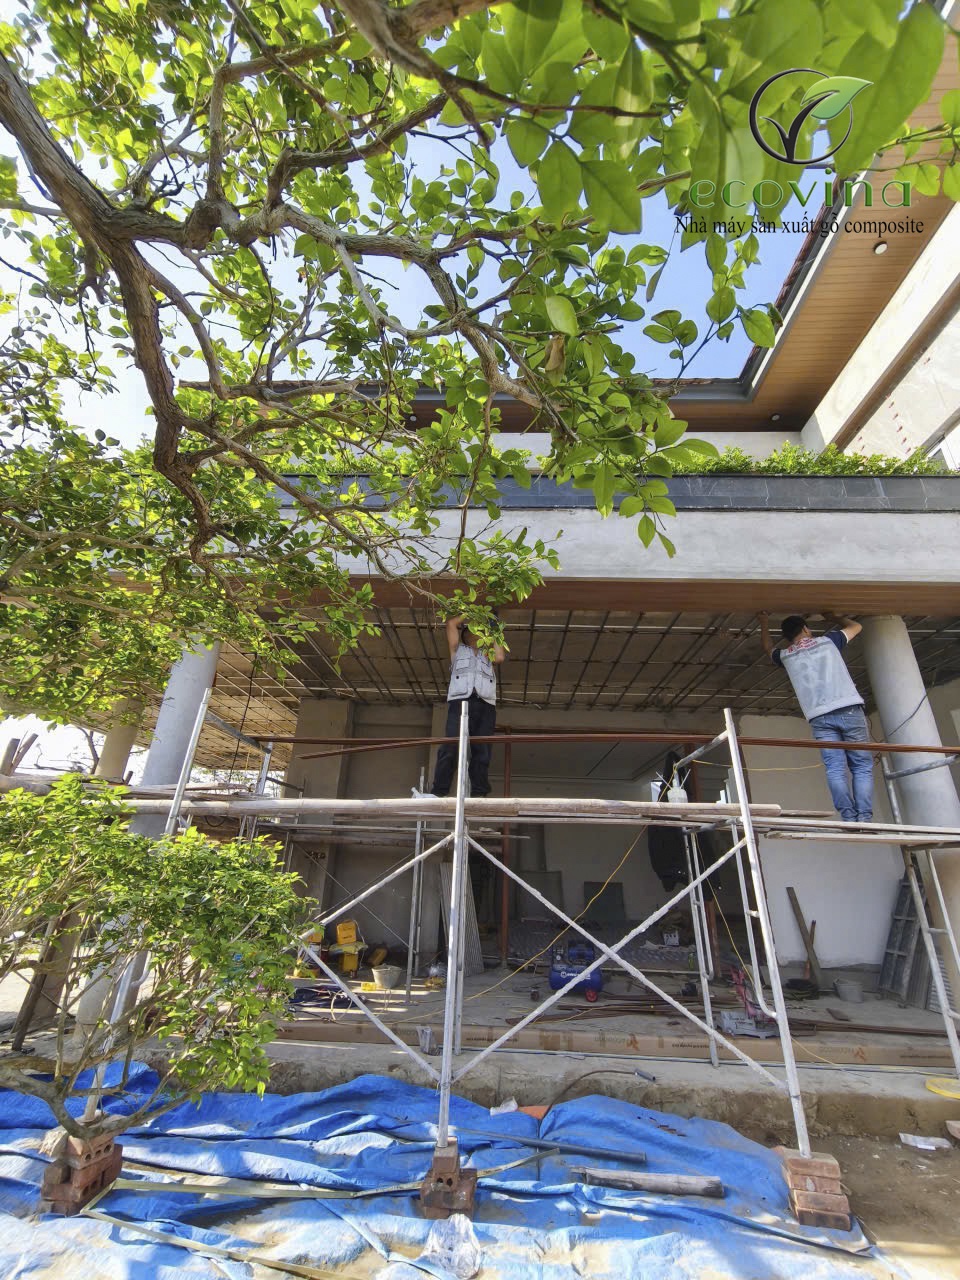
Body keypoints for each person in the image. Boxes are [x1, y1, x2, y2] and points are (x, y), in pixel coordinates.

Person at [760, 612, 873, 823]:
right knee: (861, 766)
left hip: (819, 717)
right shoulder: (828, 641)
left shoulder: (785, 656)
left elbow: (768, 648)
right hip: (848, 708)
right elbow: (857, 626)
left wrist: (763, 621)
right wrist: (833, 617)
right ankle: (864, 818)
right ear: (805, 628)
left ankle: (849, 818)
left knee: (835, 768)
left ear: (786, 637)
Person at [423, 615, 505, 798]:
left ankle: (479, 793)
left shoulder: (488, 653)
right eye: (474, 630)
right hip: (460, 702)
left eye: (480, 631)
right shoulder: (457, 650)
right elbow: (451, 624)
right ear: (466, 635)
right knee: (450, 746)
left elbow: (500, 656)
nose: (477, 633)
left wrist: (494, 628)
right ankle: (439, 791)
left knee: (482, 750)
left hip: (485, 704)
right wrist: (473, 612)